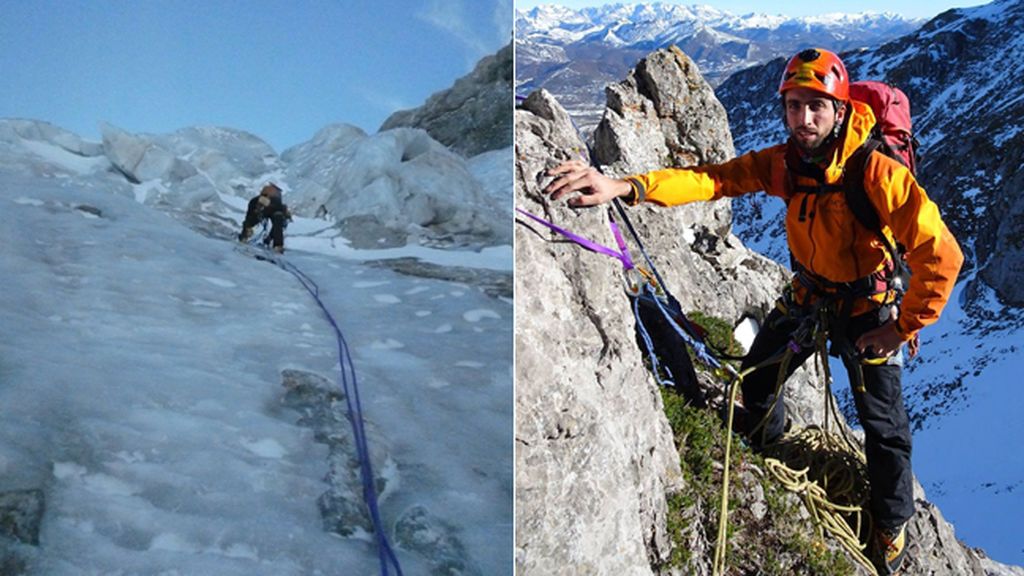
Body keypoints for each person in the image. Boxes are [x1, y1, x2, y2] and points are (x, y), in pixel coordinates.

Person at [544, 48, 963, 574]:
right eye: (793, 106)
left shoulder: (876, 172)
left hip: (868, 307)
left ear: (839, 110)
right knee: (759, 381)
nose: (803, 119)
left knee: (884, 428)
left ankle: (890, 526)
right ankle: (767, 445)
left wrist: (901, 328)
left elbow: (941, 254)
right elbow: (712, 180)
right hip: (810, 294)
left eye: (815, 107)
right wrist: (627, 187)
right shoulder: (786, 162)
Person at [239, 183, 291, 254]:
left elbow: (277, 226)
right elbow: (279, 225)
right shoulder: (255, 202)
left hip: (269, 211)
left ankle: (244, 237)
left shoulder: (276, 206)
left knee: (277, 220)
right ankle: (277, 245)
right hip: (267, 211)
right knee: (277, 220)